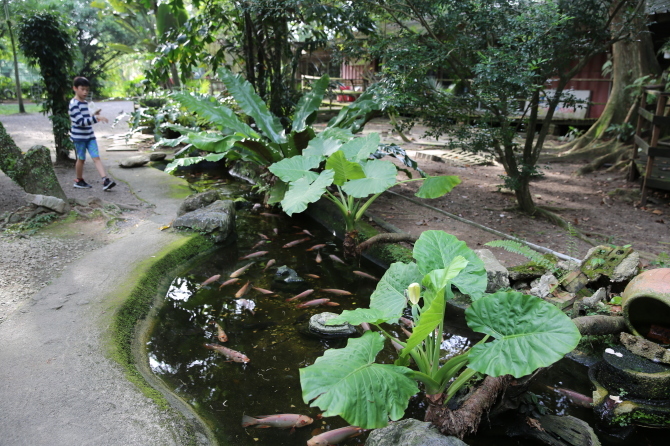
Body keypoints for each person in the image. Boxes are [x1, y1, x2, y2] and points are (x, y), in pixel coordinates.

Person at [69, 76, 115, 190]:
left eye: (87, 90)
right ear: (75, 88)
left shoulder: (86, 103)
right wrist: (97, 118)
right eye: (82, 89)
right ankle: (79, 180)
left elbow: (87, 118)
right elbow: (80, 122)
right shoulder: (74, 104)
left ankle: (105, 180)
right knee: (81, 159)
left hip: (89, 135)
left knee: (96, 157)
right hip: (79, 137)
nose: (85, 92)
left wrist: (95, 115)